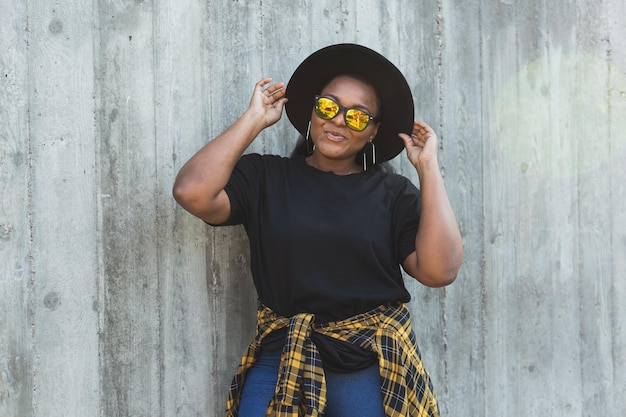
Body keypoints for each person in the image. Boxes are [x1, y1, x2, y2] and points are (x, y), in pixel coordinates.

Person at [173, 44, 463, 417]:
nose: (339, 120)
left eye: (358, 117)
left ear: (373, 132)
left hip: (363, 367)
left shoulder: (393, 196)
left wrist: (427, 168)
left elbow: (440, 270)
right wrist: (254, 120)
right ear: (312, 112)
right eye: (328, 106)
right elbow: (191, 192)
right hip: (282, 359)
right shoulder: (266, 177)